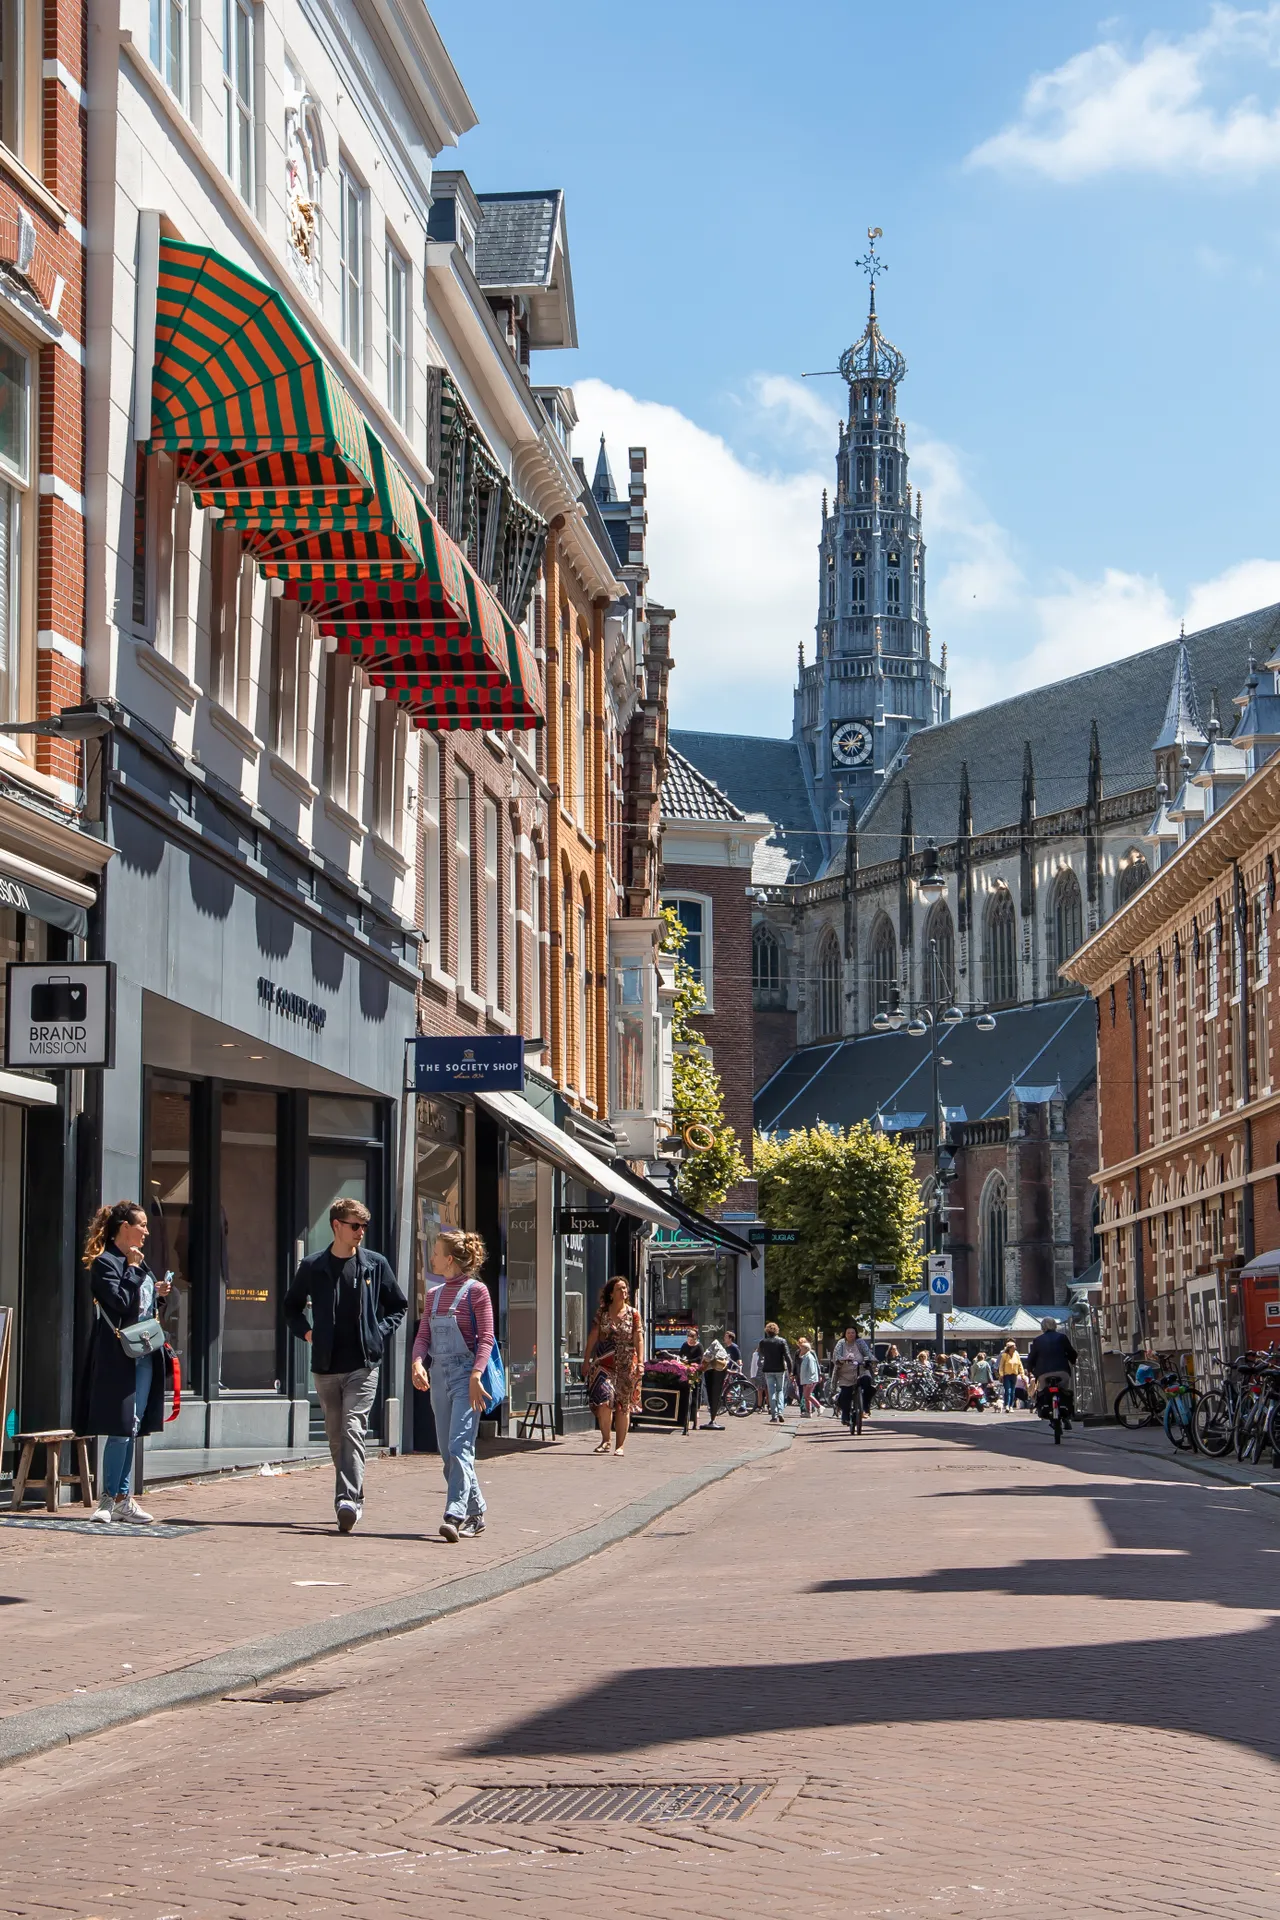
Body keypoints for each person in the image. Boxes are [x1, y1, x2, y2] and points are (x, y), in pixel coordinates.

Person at [286, 1197, 407, 1534]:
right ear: (336, 1226)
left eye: (364, 1227)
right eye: (355, 1226)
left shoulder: (375, 1265)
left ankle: (346, 1501)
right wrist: (307, 1333)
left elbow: (398, 1305)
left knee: (353, 1428)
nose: (361, 1232)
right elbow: (291, 1307)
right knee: (336, 1437)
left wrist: (378, 1332)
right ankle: (355, 1496)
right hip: (325, 1365)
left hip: (364, 1364)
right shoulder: (313, 1266)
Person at [80, 1201, 173, 1525]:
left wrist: (158, 1292)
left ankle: (124, 1498)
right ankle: (108, 1498)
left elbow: (141, 1306)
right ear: (124, 1228)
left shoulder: (140, 1263)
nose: (147, 1231)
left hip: (145, 1353)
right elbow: (118, 1303)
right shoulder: (105, 1263)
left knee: (132, 1426)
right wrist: (133, 1271)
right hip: (119, 1355)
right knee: (120, 1427)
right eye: (142, 1225)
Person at [409, 1230, 495, 1539]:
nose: (430, 1257)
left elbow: (486, 1338)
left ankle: (454, 1514)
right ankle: (477, 1510)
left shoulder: (477, 1292)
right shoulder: (432, 1296)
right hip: (439, 1375)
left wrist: (476, 1375)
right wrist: (418, 1363)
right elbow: (423, 1337)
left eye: (434, 1252)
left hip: (465, 1377)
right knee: (448, 1453)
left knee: (461, 1446)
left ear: (448, 1259)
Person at [582, 1275, 644, 1455]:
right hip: (604, 1363)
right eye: (619, 1289)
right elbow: (593, 1336)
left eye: (625, 1288)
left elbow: (638, 1338)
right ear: (611, 1294)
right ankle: (606, 1440)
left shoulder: (633, 1314)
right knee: (604, 1401)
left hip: (626, 1364)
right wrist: (586, 1360)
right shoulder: (602, 1313)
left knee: (623, 1405)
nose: (624, 1291)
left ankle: (620, 1446)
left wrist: (640, 1362)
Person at [1027, 1316, 1079, 1426]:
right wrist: (1073, 1361)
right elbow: (1071, 1352)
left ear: (1042, 1327)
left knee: (1042, 1389)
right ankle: (1066, 1413)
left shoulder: (1037, 1340)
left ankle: (1045, 1408)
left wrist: (1030, 1369)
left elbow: (1031, 1358)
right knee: (1064, 1389)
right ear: (1055, 1326)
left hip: (1043, 1372)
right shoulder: (1062, 1337)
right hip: (1062, 1370)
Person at [757, 1322, 792, 1422]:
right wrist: (791, 1370)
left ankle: (774, 1415)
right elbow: (787, 1356)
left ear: (767, 1331)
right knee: (780, 1391)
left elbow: (761, 1353)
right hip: (780, 1369)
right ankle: (780, 1411)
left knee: (771, 1391)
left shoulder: (763, 1342)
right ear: (777, 1330)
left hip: (768, 1369)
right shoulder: (782, 1341)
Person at [677, 1326, 704, 1426]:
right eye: (689, 1336)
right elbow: (680, 1355)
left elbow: (700, 1358)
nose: (690, 1338)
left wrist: (689, 1361)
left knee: (695, 1393)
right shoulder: (684, 1345)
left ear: (696, 1337)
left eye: (692, 1336)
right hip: (684, 1371)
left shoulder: (699, 1346)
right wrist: (680, 1361)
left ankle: (695, 1412)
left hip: (695, 1372)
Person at [702, 1335, 730, 1429]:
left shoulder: (711, 1351)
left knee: (713, 1395)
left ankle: (713, 1418)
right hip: (717, 1373)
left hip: (711, 1373)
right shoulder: (721, 1352)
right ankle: (713, 1418)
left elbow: (706, 1359)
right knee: (715, 1395)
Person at [795, 1338, 819, 1417]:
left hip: (808, 1378)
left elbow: (815, 1366)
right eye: (799, 1345)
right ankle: (805, 1410)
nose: (800, 1347)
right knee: (803, 1394)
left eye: (802, 1345)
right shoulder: (798, 1353)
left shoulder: (811, 1354)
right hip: (801, 1376)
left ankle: (815, 1408)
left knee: (807, 1394)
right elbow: (795, 1364)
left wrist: (819, 1374)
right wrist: (793, 1373)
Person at [998, 1341, 1022, 1411]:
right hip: (1007, 1375)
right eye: (1014, 1346)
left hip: (1014, 1375)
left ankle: (1011, 1406)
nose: (1015, 1347)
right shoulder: (1004, 1355)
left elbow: (1020, 1365)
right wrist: (1001, 1374)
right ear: (1010, 1348)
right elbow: (1001, 1366)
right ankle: (1007, 1405)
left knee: (1013, 1391)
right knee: (1008, 1390)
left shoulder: (1016, 1355)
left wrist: (1022, 1374)